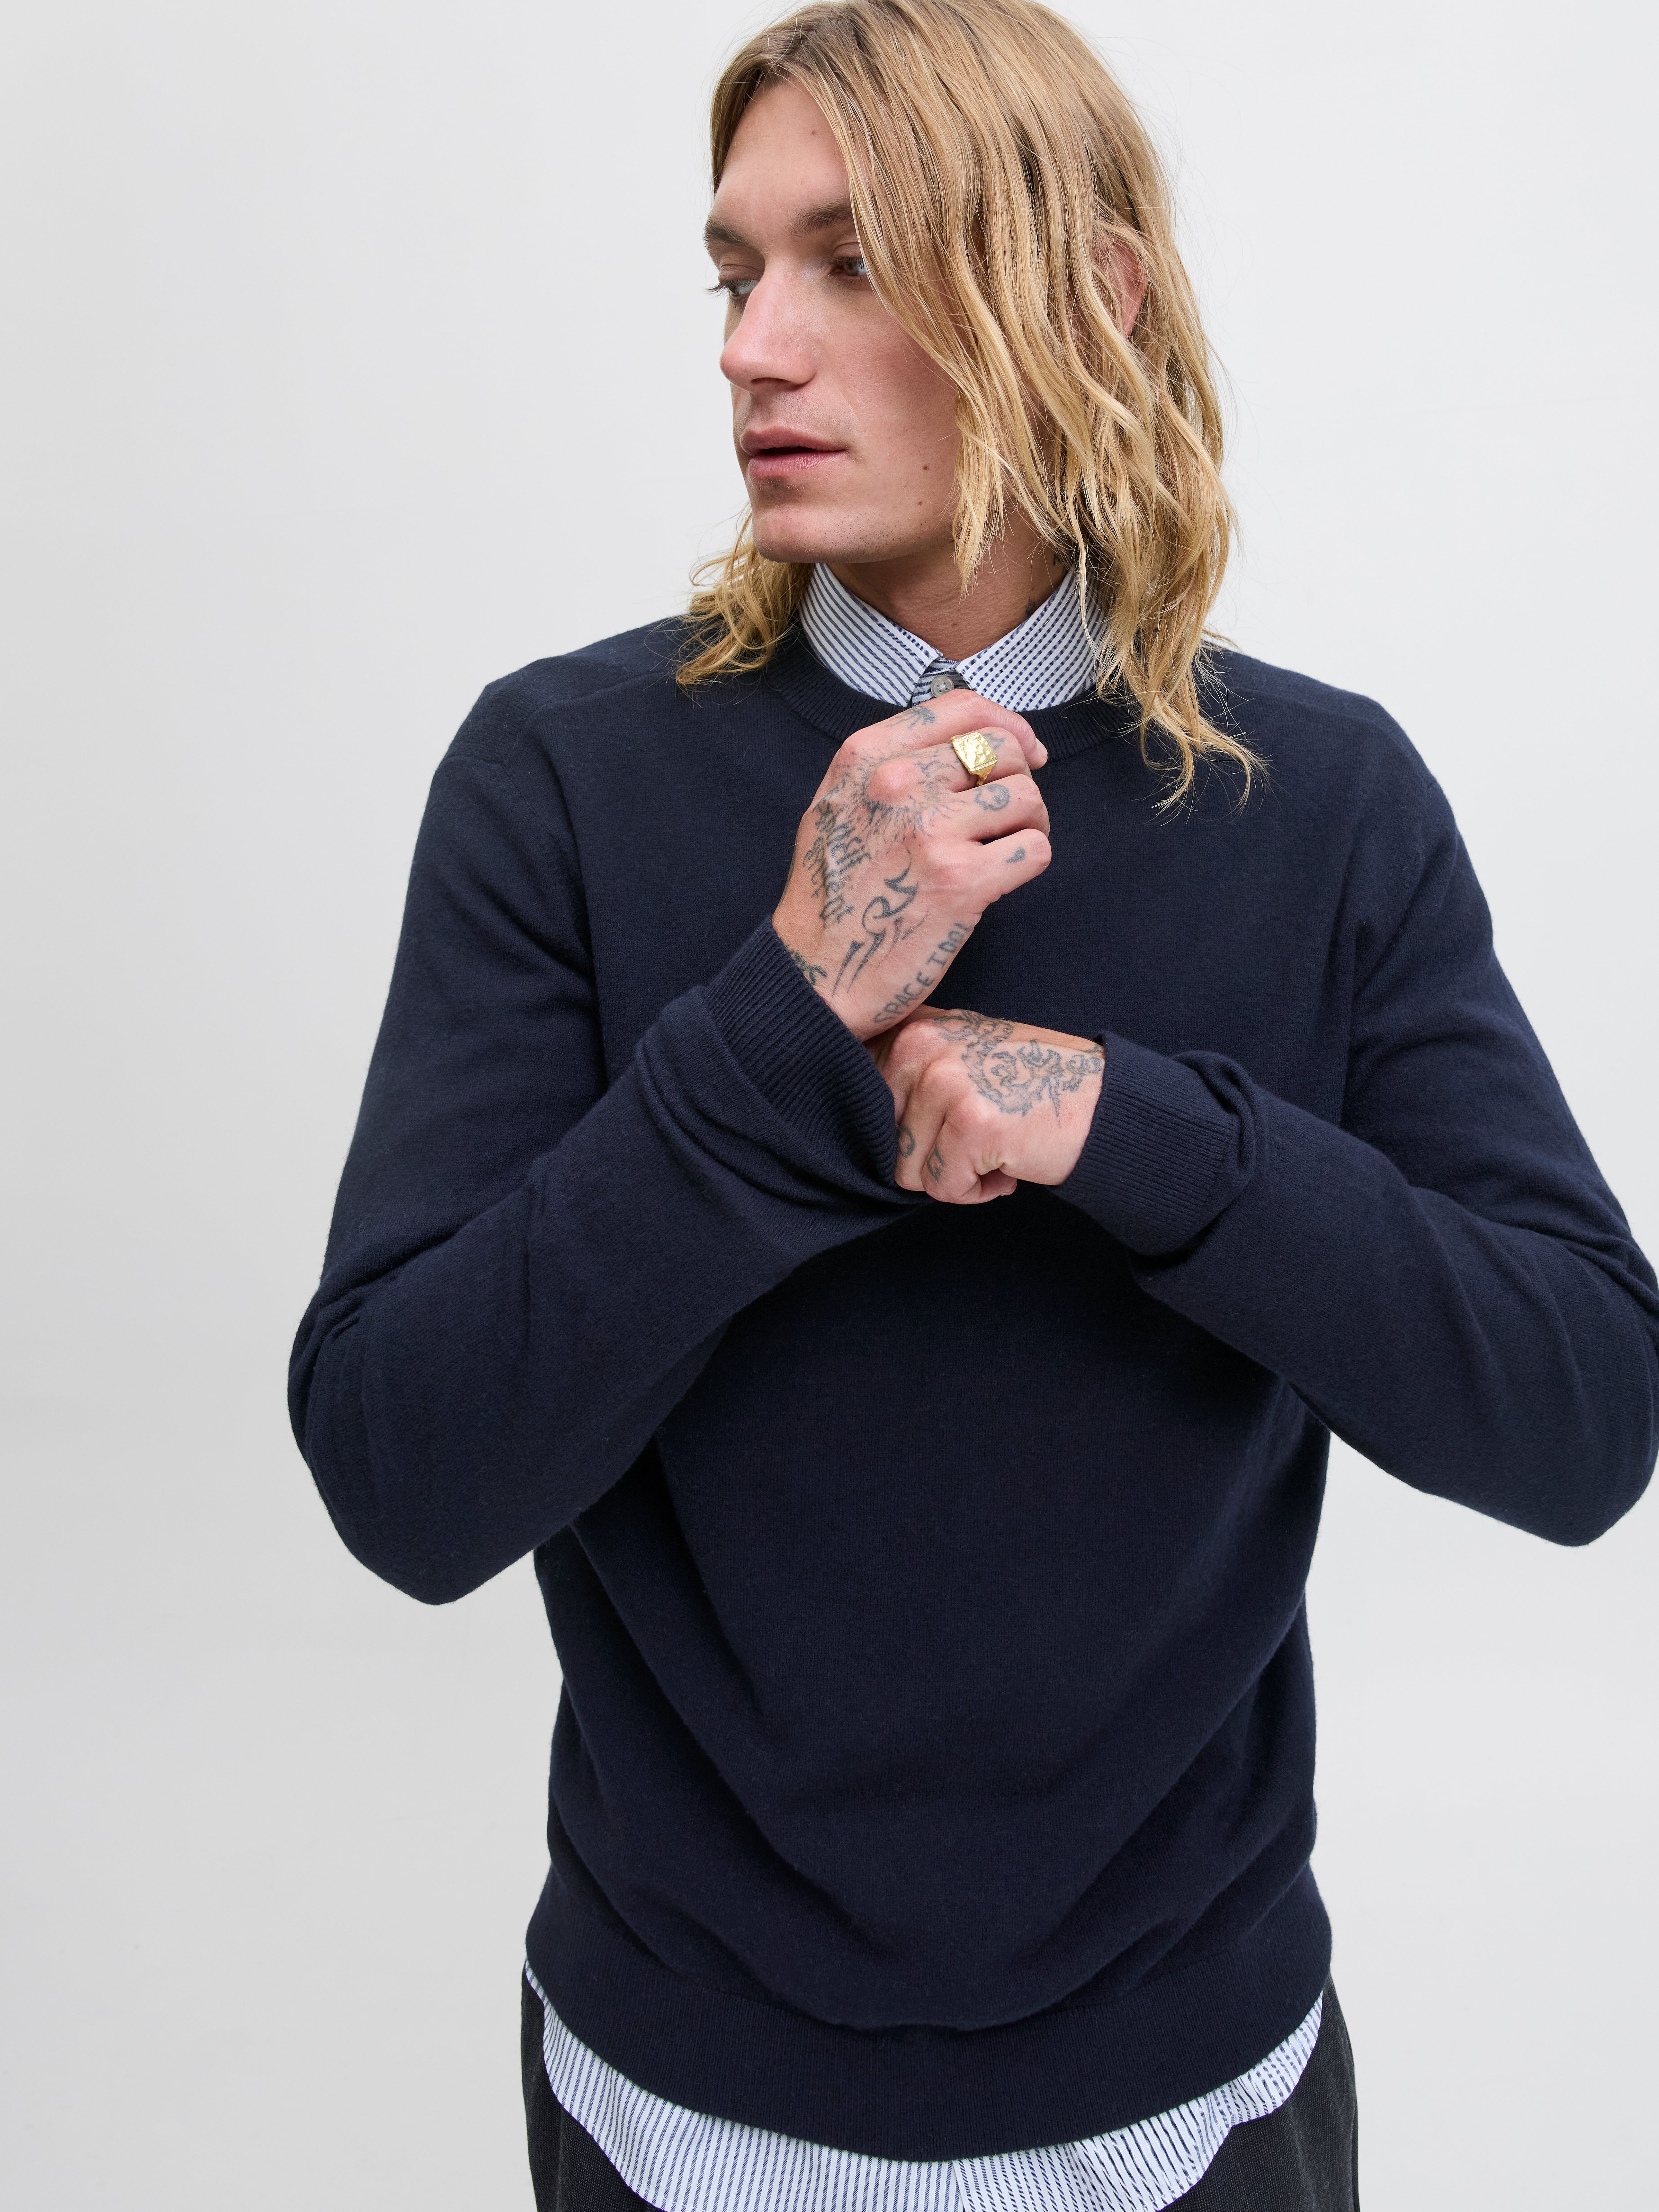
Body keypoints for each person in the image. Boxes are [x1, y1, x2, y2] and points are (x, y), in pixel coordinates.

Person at [287, 1, 1658, 2205]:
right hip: (672, 2105)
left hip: (1190, 2104)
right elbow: (401, 1472)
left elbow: (1582, 1415)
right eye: (736, 272)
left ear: (1091, 292)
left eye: (848, 260)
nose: (754, 347)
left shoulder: (1322, 801)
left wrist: (1133, 1123)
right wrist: (784, 1015)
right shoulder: (557, 775)